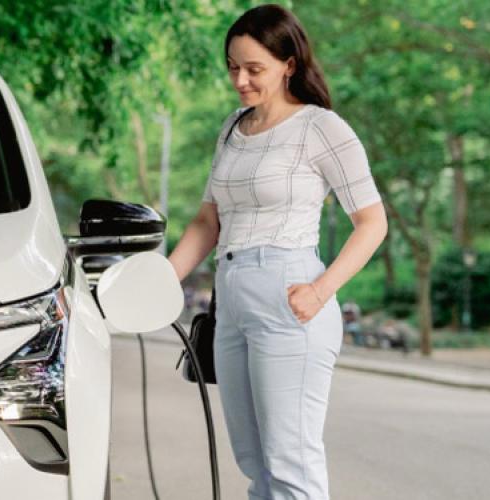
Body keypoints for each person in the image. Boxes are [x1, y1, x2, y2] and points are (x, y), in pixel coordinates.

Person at [166, 4, 388, 499]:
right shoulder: (232, 127)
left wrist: (321, 290)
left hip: (290, 297)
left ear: (289, 64)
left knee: (291, 463)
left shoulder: (321, 127)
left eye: (254, 68)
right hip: (231, 303)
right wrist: (159, 282)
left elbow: (373, 223)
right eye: (233, 67)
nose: (240, 80)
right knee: (255, 464)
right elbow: (207, 221)